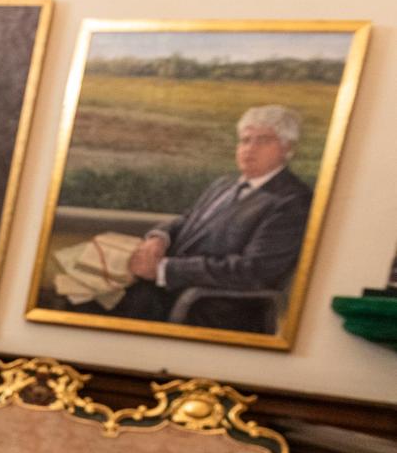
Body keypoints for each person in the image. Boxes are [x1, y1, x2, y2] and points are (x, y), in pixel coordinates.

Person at [114, 104, 312, 332]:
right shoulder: (224, 185)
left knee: (96, 311)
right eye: (245, 140)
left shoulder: (292, 201)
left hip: (211, 309)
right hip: (167, 295)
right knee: (80, 294)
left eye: (263, 141)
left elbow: (254, 271)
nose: (250, 149)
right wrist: (158, 238)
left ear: (287, 148)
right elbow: (187, 220)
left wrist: (165, 269)